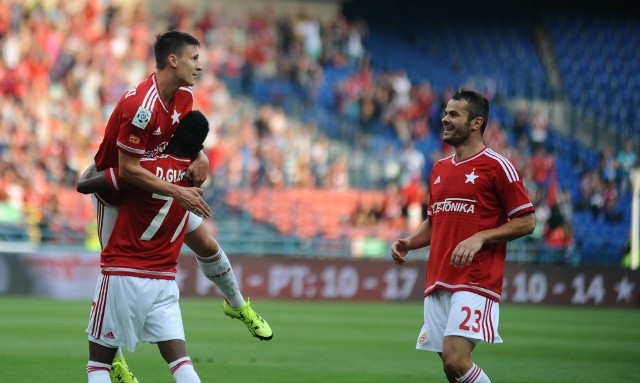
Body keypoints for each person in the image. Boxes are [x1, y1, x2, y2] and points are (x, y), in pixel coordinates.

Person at [87, 30, 272, 383]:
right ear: (173, 60)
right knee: (113, 273)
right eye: (195, 59)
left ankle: (238, 305)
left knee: (206, 244)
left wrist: (199, 155)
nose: (200, 67)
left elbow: (179, 140)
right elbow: (128, 170)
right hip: (119, 196)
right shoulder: (141, 106)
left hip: (160, 186)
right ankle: (113, 359)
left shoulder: (184, 95)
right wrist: (177, 192)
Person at [390, 88, 535, 383]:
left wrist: (481, 237)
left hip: (476, 278)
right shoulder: (439, 169)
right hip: (438, 279)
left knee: (457, 361)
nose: (444, 119)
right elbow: (435, 220)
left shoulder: (498, 166)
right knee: (450, 367)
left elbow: (527, 221)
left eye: (454, 114)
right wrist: (410, 242)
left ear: (476, 123)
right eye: (445, 113)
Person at [79, 110, 212, 383]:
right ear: (199, 148)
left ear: (172, 132)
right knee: (181, 362)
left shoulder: (143, 169)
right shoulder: (195, 178)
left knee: (98, 365)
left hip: (122, 273)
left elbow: (85, 186)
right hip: (164, 280)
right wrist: (202, 157)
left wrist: (93, 167)